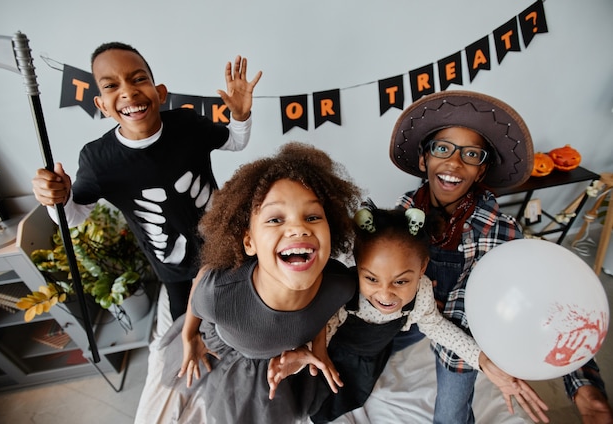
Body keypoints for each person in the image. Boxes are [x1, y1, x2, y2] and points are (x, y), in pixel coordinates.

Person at [389, 90, 612, 423]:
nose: (454, 162)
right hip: (416, 313)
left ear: (481, 171)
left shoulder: (499, 229)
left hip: (465, 341)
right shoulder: (404, 212)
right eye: (442, 148)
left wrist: (583, 385)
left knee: (450, 416)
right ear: (424, 160)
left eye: (471, 154)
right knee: (365, 348)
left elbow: (548, 305)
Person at [31, 42, 262, 320]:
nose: (128, 91)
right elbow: (74, 217)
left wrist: (239, 114)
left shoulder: (186, 124)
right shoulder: (98, 159)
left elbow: (235, 142)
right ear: (102, 105)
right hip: (172, 269)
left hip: (225, 245)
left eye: (139, 79)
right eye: (111, 86)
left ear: (160, 92)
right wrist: (56, 198)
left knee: (251, 303)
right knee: (184, 322)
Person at [269, 203, 548, 423]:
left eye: (401, 281)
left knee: (350, 396)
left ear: (423, 268)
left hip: (371, 359)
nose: (386, 294)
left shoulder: (423, 291)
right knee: (316, 400)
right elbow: (322, 325)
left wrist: (484, 361)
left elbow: (436, 327)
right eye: (372, 279)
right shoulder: (347, 289)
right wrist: (305, 353)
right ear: (358, 267)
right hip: (333, 353)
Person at [156, 142, 362, 423]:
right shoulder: (219, 294)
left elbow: (322, 313)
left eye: (312, 216)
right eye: (276, 219)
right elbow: (201, 283)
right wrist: (189, 336)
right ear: (249, 241)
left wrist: (319, 348)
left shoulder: (341, 285)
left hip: (283, 363)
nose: (298, 228)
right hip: (233, 358)